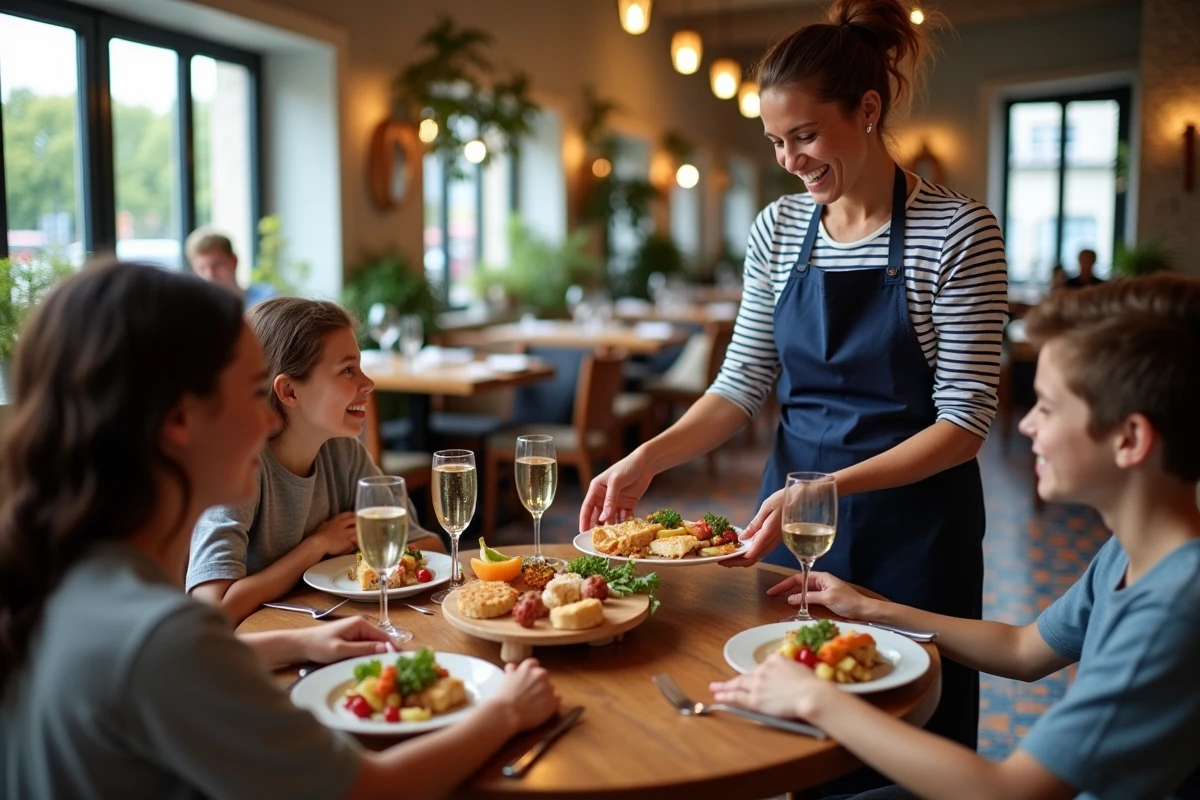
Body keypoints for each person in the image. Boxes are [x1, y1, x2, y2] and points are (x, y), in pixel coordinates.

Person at [580, 0, 1006, 760]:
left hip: (915, 530)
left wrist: (830, 488)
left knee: (909, 737)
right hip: (794, 522)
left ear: (868, 110)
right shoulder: (777, 230)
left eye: (805, 135)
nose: (790, 159)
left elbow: (965, 423)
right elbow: (740, 384)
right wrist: (648, 456)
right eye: (777, 141)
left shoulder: (957, 230)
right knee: (793, 727)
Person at [0, 262, 559, 800]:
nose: (268, 419)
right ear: (179, 420)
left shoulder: (68, 584)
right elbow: (370, 790)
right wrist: (506, 710)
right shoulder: (157, 638)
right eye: (251, 393)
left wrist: (297, 641)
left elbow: (188, 666)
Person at [712, 274, 1200, 800]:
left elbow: (1009, 790)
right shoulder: (1134, 552)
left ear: (1129, 439)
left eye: (1048, 407)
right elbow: (1023, 649)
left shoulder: (1173, 608)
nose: (1027, 425)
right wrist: (870, 608)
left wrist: (816, 699)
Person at [188, 297, 445, 624]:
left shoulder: (345, 452)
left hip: (326, 627)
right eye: (348, 370)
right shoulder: (240, 468)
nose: (368, 383)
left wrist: (351, 558)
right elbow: (211, 609)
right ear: (290, 392)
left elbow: (429, 545)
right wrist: (317, 546)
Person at [186, 226, 277, 307]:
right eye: (201, 268)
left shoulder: (267, 300)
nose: (210, 275)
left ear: (234, 261)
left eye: (217, 265)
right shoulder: (193, 310)